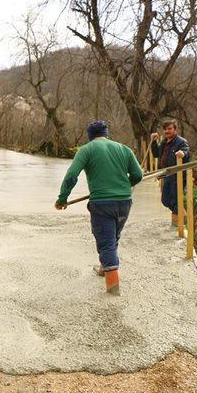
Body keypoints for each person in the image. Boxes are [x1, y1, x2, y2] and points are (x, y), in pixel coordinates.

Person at [55, 121, 143, 296]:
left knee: (106, 242)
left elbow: (72, 175)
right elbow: (138, 175)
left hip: (102, 203)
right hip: (125, 201)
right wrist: (122, 186)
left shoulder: (87, 149)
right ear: (106, 133)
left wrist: (62, 198)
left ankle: (113, 288)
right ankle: (104, 267)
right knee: (112, 237)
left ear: (90, 136)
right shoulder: (124, 149)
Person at [150, 119, 190, 226]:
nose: (167, 131)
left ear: (175, 129)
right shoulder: (164, 142)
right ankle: (181, 212)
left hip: (178, 175)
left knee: (176, 199)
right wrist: (153, 142)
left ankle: (177, 225)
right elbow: (156, 154)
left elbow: (185, 151)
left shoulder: (181, 142)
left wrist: (182, 153)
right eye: (165, 129)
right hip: (166, 174)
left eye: (169, 129)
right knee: (165, 200)